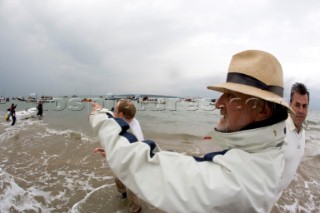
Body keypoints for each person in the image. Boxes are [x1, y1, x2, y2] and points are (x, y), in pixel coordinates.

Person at [89, 50, 292, 212]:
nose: (218, 103)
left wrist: (102, 117)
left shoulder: (235, 183)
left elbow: (141, 166)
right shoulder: (268, 154)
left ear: (263, 109)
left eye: (230, 95)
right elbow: (182, 171)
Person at [92, 99, 143, 213]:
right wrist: (100, 109)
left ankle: (136, 209)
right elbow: (110, 115)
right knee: (118, 178)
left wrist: (108, 153)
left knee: (132, 191)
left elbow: (126, 153)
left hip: (133, 163)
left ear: (120, 114)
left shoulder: (131, 133)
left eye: (115, 110)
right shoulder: (128, 120)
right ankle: (123, 195)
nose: (113, 111)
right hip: (127, 155)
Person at [276, 82, 309, 200]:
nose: (301, 110)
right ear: (290, 105)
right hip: (262, 198)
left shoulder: (303, 132)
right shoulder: (279, 128)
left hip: (277, 196)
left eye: (304, 106)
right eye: (297, 105)